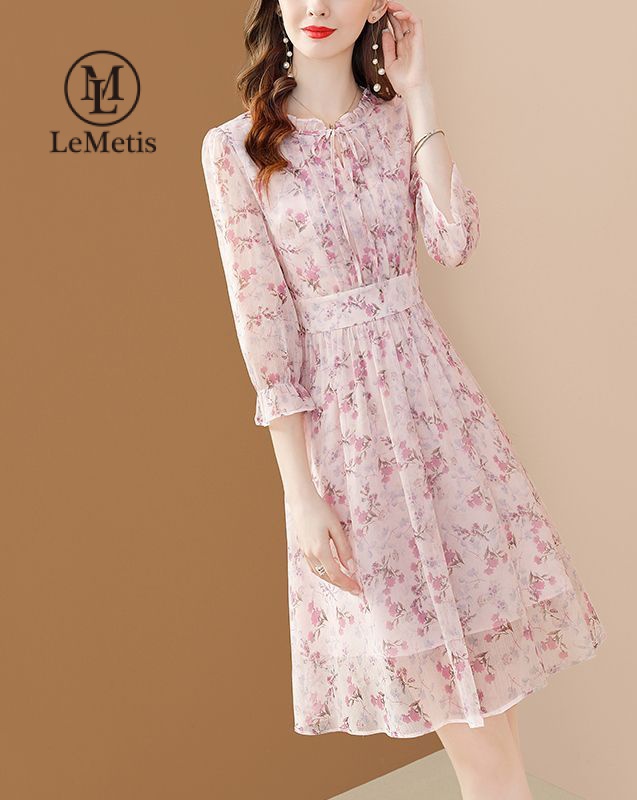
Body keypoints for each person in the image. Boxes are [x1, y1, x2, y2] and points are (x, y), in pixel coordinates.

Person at [200, 2, 607, 798]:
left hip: (440, 419)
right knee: (470, 727)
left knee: (493, 718)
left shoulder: (394, 124)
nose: (318, 6)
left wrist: (419, 96)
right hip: (349, 446)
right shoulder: (235, 150)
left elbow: (453, 242)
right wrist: (300, 495)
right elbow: (265, 329)